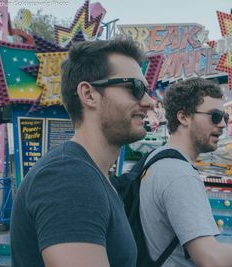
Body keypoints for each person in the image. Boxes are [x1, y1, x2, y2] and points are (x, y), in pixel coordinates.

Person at [10, 38, 154, 267]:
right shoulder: (69, 178)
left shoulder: (93, 176)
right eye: (135, 88)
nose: (150, 102)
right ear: (88, 94)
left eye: (147, 90)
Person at [139, 77, 232, 267]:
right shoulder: (180, 175)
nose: (223, 125)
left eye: (224, 118)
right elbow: (210, 258)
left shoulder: (156, 158)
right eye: (215, 116)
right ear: (183, 117)